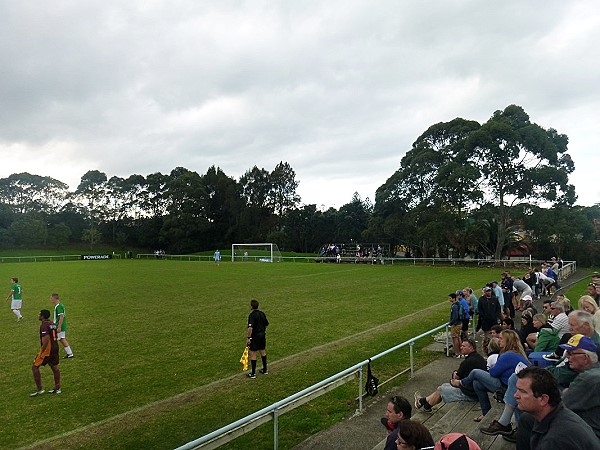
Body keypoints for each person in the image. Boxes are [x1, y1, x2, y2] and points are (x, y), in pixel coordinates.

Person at [514, 366, 600, 450]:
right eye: (517, 390)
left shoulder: (554, 441)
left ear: (543, 399)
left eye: (523, 392)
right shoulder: (558, 413)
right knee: (526, 418)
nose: (516, 395)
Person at [451, 330, 529, 421]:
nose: (498, 340)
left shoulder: (508, 355)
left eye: (501, 339)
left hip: (506, 388)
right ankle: (485, 413)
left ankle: (461, 383)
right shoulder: (517, 353)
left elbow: (493, 372)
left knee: (475, 372)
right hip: (511, 386)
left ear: (507, 341)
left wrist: (492, 368)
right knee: (477, 383)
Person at [414, 339, 487, 412]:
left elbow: (455, 379)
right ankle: (423, 403)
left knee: (441, 389)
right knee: (443, 386)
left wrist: (455, 374)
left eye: (463, 346)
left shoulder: (467, 362)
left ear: (471, 348)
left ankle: (423, 403)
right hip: (476, 390)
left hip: (471, 394)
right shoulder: (479, 358)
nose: (461, 348)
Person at [560, 334, 600, 439]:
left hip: (591, 435)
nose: (567, 356)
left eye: (571, 353)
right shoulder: (594, 372)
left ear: (586, 358)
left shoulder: (588, 378)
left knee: (528, 419)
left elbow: (561, 407)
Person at [30, 309, 61, 396]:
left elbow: (46, 339)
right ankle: (58, 388)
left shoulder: (44, 326)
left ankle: (40, 389)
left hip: (48, 350)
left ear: (42, 316)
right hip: (55, 348)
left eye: (39, 314)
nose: (38, 315)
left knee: (35, 367)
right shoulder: (52, 323)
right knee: (54, 367)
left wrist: (42, 351)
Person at [246, 299, 269, 379]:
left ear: (252, 306)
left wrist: (248, 338)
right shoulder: (262, 313)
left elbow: (250, 328)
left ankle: (253, 373)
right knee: (262, 350)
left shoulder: (252, 315)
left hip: (255, 336)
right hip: (262, 334)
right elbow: (266, 324)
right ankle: (265, 369)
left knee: (253, 353)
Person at [476, 287, 502, 355]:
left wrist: (495, 316)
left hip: (493, 321)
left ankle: (495, 349)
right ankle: (486, 351)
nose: (488, 292)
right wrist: (484, 316)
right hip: (485, 322)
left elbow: (498, 309)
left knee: (494, 336)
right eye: (487, 291)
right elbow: (480, 309)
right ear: (484, 292)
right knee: (487, 337)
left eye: (489, 291)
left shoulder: (495, 299)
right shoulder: (481, 300)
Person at [51, 293, 74, 359]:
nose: (51, 300)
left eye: (51, 298)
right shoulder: (59, 305)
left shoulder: (59, 306)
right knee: (61, 339)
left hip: (59, 326)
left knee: (54, 339)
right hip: (58, 325)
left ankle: (53, 355)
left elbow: (61, 316)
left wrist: (59, 326)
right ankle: (70, 353)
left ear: (55, 298)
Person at [447, 293, 463, 358]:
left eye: (450, 298)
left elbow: (455, 317)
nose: (449, 300)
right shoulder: (457, 304)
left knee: (455, 338)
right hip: (458, 323)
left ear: (454, 298)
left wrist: (451, 323)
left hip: (456, 324)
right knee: (458, 337)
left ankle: (458, 353)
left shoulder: (455, 306)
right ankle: (461, 352)